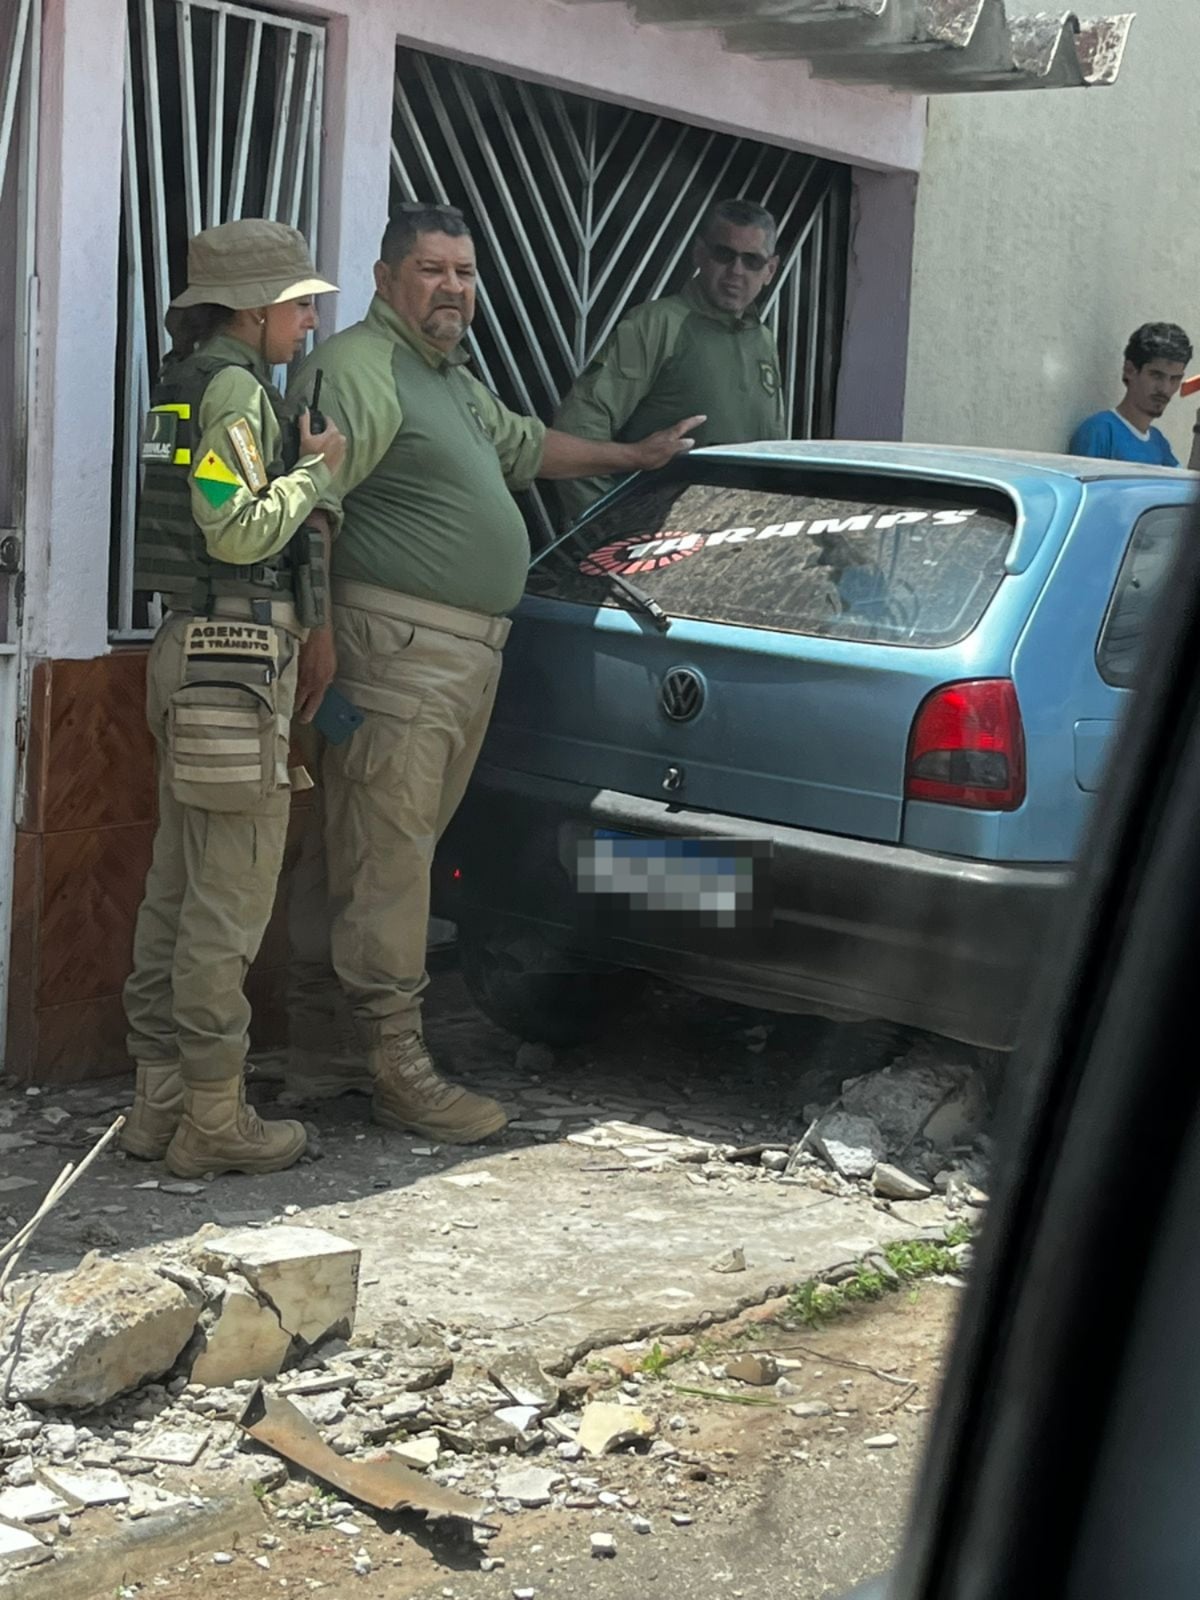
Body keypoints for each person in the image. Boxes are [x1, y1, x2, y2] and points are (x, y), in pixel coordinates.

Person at [280, 202, 702, 1144]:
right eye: (432, 270)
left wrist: (631, 455)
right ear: (388, 278)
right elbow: (315, 501)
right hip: (390, 650)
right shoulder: (359, 368)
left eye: (465, 274)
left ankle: (323, 1055)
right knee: (387, 860)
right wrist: (318, 632)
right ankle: (396, 1066)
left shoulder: (448, 379)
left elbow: (526, 447)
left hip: (450, 656)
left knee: (359, 851)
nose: (453, 290)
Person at [120, 219, 347, 1178]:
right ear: (253, 307)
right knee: (228, 894)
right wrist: (315, 474)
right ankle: (213, 1119)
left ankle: (158, 1104)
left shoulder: (185, 380)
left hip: (192, 653)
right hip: (236, 658)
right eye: (298, 305)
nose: (306, 322)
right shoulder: (232, 392)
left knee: (177, 885)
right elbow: (238, 527)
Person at [552, 198, 784, 527]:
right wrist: (609, 526)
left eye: (752, 261)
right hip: (661, 549)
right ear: (700, 253)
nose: (736, 271)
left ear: (770, 270)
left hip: (739, 545)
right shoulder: (652, 325)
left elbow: (774, 451)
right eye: (724, 254)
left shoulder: (763, 341)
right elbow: (577, 429)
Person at [1069, 322, 1193, 466]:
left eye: (1175, 379)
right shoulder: (1100, 431)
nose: (1165, 389)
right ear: (1130, 370)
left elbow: (1187, 486)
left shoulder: (1159, 443)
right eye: (1156, 375)